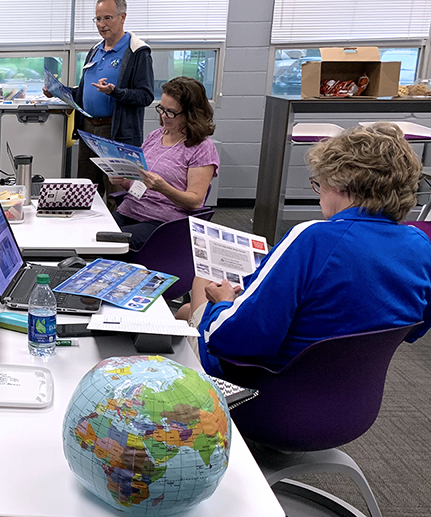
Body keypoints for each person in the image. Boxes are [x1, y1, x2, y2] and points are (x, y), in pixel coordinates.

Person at [177, 123, 431, 380]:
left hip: (265, 389)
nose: (320, 194)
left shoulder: (313, 237)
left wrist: (223, 303)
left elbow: (236, 340)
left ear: (341, 184)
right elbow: (414, 329)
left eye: (320, 184)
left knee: (201, 285)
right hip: (353, 394)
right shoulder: (421, 245)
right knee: (187, 311)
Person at [48, 0, 154, 185]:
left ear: (122, 17)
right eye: (98, 19)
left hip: (116, 131)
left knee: (117, 192)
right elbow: (84, 91)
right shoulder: (95, 50)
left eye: (107, 18)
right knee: (87, 188)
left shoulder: (137, 52)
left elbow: (145, 96)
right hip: (89, 129)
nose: (101, 24)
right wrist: (59, 91)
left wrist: (115, 92)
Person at [110, 77, 219, 249]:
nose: (163, 116)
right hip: (131, 209)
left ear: (191, 114)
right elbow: (138, 184)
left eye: (171, 112)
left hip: (163, 222)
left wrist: (163, 187)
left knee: (107, 242)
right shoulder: (155, 136)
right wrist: (123, 179)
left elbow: (195, 201)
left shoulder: (201, 147)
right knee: (88, 233)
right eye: (161, 109)